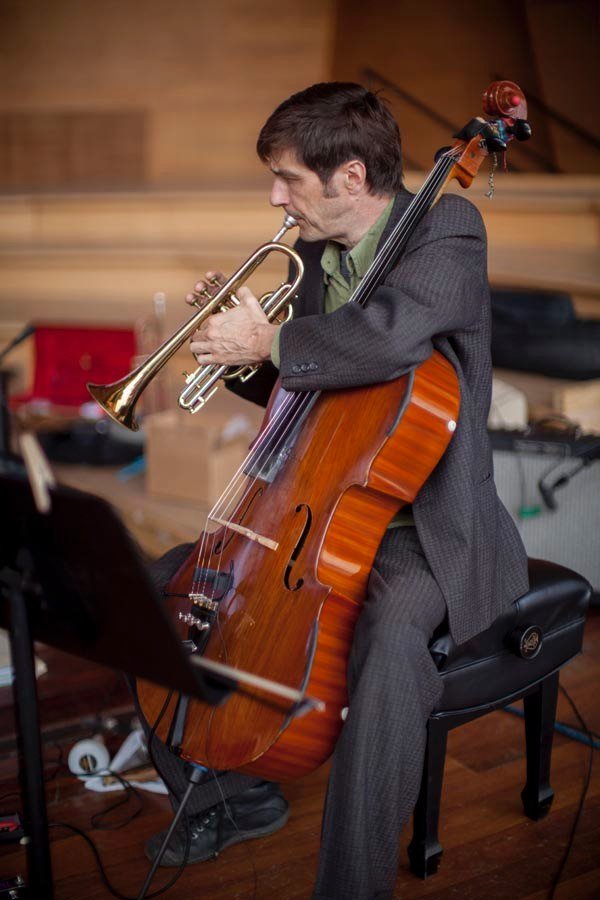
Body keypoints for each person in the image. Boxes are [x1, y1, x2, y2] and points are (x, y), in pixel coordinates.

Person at [142, 82, 529, 900]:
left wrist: (271, 339)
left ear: (351, 176)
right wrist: (240, 355)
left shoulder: (449, 229)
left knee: (390, 649)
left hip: (422, 526)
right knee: (158, 588)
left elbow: (389, 338)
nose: (274, 197)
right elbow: (312, 391)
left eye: (287, 178)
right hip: (322, 501)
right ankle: (230, 800)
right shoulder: (319, 257)